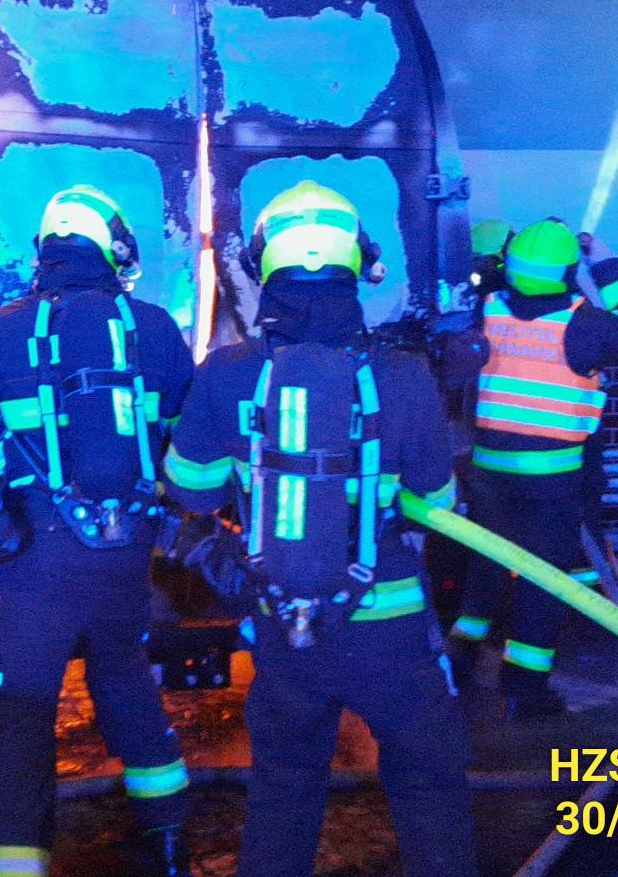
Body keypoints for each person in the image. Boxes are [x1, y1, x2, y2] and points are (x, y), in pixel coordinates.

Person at [163, 181, 481, 877]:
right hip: (392, 631)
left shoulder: (228, 374)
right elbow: (437, 500)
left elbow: (191, 489)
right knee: (429, 784)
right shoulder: (404, 374)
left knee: (284, 785)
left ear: (263, 267)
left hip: (285, 626)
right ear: (358, 264)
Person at [0, 185, 195, 877]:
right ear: (111, 251)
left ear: (46, 253)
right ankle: (167, 840)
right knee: (125, 677)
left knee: (24, 707)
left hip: (34, 558)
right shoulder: (154, 327)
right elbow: (184, 443)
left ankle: (14, 863)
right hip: (128, 553)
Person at [447, 218, 618, 718]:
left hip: (489, 471)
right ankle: (525, 688)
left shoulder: (486, 309)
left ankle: (459, 656)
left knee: (486, 561)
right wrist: (605, 262)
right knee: (543, 578)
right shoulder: (586, 325)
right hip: (551, 478)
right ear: (566, 271)